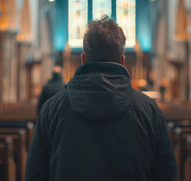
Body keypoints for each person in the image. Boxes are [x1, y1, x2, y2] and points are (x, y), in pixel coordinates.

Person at [25, 16, 177, 181]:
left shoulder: (51, 109)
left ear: (83, 59)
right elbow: (166, 174)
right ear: (122, 60)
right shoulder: (149, 110)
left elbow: (35, 174)